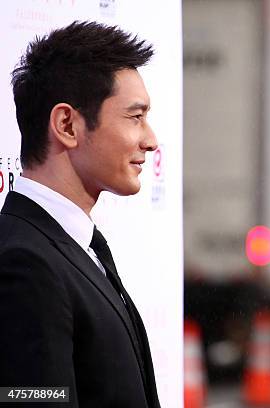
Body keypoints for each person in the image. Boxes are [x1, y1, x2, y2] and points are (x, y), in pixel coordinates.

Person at [0, 21, 160, 408]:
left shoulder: (78, 247)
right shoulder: (25, 262)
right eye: (135, 117)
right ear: (67, 125)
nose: (151, 140)